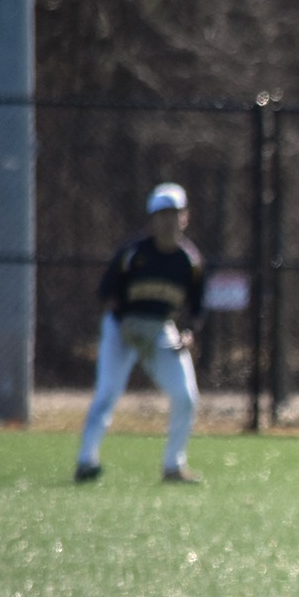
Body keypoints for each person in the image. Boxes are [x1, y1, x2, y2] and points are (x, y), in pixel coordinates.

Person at [75, 182, 208, 484]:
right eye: (162, 214)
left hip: (160, 329)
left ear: (185, 217)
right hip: (121, 327)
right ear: (152, 220)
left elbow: (197, 308)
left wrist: (188, 333)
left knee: (186, 396)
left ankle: (173, 466)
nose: (169, 220)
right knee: (107, 392)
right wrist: (125, 323)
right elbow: (106, 291)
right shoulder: (134, 253)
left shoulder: (190, 261)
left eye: (174, 213)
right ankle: (86, 461)